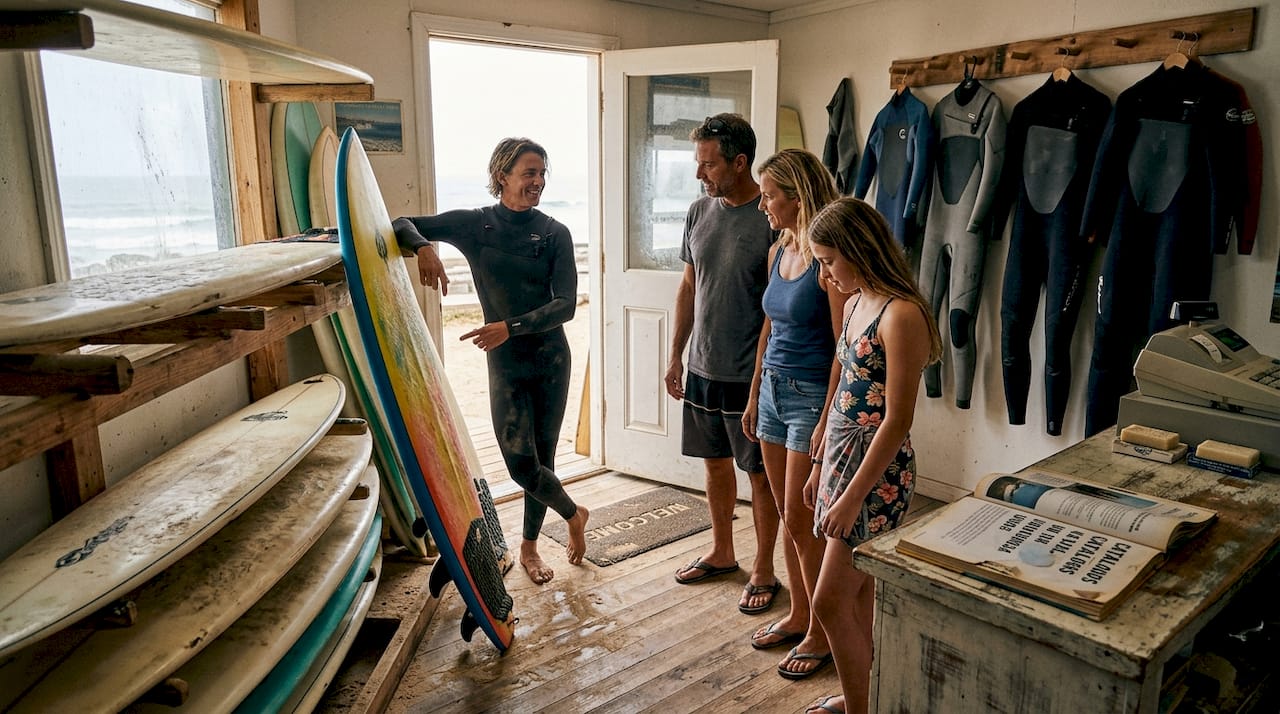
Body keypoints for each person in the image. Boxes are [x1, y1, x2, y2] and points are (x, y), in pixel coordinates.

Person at [392, 137, 589, 585]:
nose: (538, 181)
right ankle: (574, 514)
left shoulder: (554, 232)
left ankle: (530, 548)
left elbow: (566, 306)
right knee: (520, 462)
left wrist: (510, 327)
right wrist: (424, 248)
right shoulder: (475, 226)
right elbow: (401, 222)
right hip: (505, 363)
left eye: (542, 173)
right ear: (502, 176)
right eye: (529, 173)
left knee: (544, 457)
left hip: (550, 359)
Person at [803, 197, 943, 714]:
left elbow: (897, 420)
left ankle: (863, 707)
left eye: (829, 260)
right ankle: (865, 694)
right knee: (857, 597)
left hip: (875, 471)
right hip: (841, 456)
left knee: (829, 600)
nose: (825, 272)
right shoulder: (857, 297)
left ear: (860, 249)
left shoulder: (901, 314)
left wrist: (850, 496)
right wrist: (820, 459)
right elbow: (843, 378)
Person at [665, 113, 781, 615]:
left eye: (708, 165)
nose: (700, 175)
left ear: (739, 163)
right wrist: (675, 353)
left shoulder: (771, 217)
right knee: (713, 466)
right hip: (703, 367)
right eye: (698, 164)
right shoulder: (698, 211)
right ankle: (722, 551)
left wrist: (759, 384)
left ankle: (764, 568)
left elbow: (777, 312)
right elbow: (690, 286)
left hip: (748, 374)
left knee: (758, 475)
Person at [742, 149, 844, 681]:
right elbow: (769, 327)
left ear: (797, 197)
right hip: (776, 393)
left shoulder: (829, 261)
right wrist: (756, 390)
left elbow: (841, 344)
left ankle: (822, 634)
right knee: (788, 518)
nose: (762, 205)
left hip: (810, 396)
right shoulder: (779, 250)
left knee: (804, 523)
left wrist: (828, 416)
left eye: (769, 195)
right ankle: (802, 614)